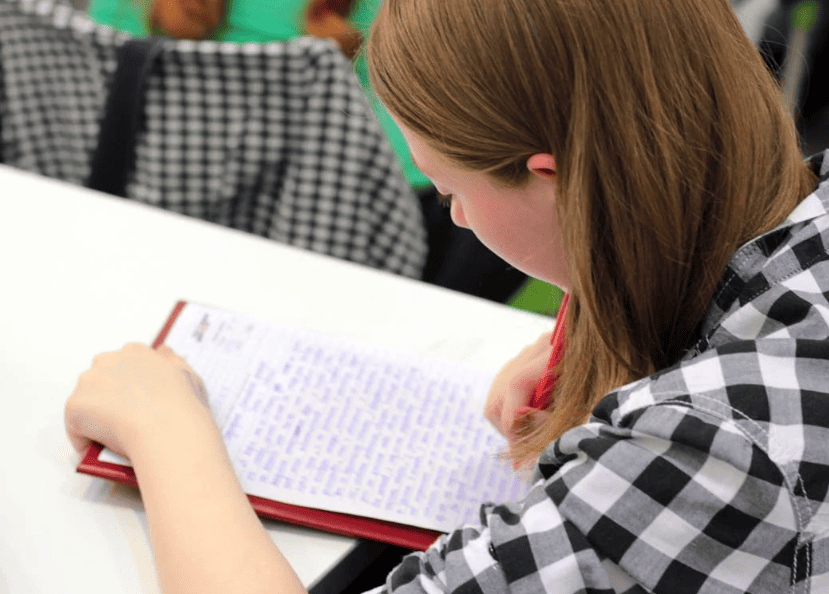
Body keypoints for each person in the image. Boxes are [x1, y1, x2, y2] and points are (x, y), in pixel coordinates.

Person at [64, 0, 829, 592]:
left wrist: (168, 433)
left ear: (555, 176)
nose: (453, 215)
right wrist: (622, 327)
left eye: (449, 189)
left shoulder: (707, 454)